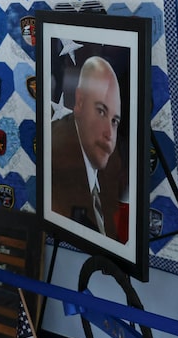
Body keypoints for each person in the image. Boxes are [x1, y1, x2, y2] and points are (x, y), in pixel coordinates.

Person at [51, 55, 126, 240]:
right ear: (80, 102)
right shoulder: (60, 153)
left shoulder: (111, 157)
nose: (109, 133)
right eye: (101, 111)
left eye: (114, 121)